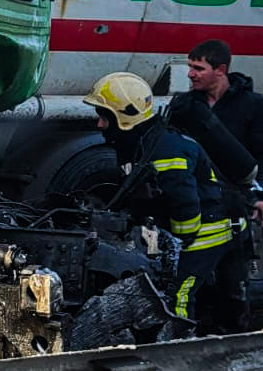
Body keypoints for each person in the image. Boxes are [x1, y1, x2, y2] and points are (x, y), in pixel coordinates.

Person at [83, 71, 237, 328]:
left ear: (123, 117)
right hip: (177, 231)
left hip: (203, 232)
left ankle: (176, 353)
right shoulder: (137, 143)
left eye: (104, 116)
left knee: (176, 296)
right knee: (157, 289)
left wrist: (176, 246)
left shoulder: (165, 149)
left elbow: (184, 205)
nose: (99, 124)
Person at [169, 39, 263, 230]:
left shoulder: (255, 106)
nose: (190, 74)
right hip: (196, 201)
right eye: (190, 67)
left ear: (220, 70)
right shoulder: (183, 106)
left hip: (235, 203)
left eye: (198, 68)